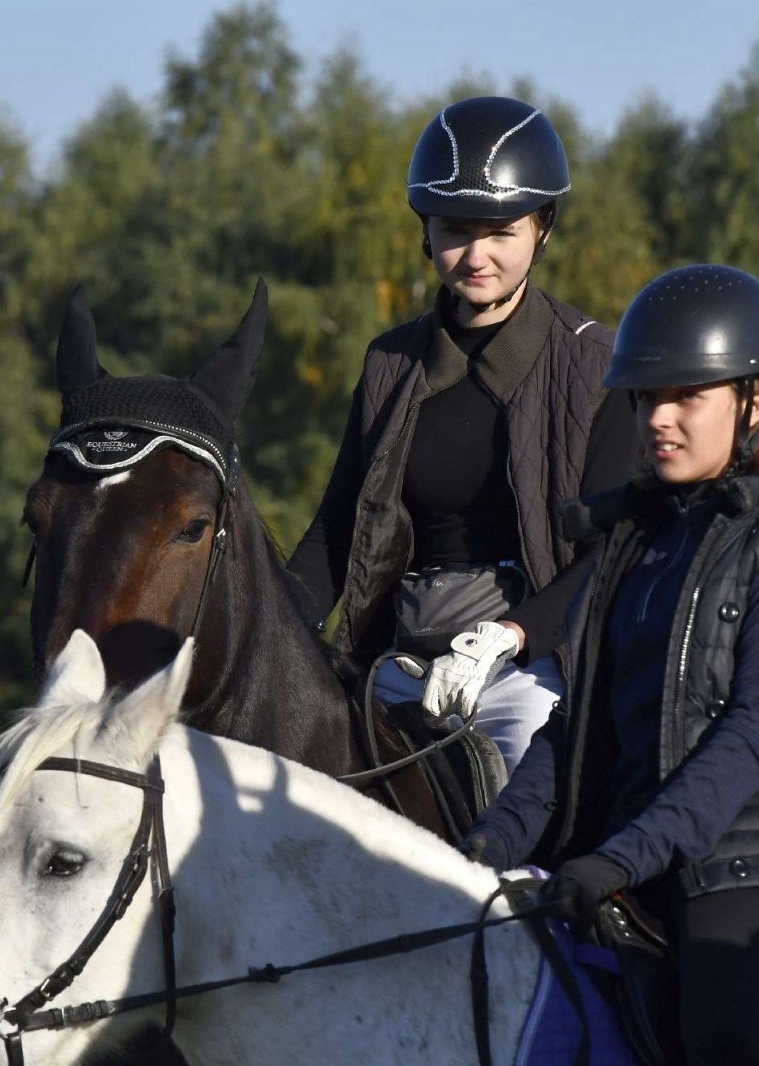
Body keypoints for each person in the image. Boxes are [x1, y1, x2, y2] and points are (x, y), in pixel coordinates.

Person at [462, 264, 759, 1064]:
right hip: (647, 847)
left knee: (719, 1032)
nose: (658, 419)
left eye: (687, 397)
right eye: (646, 398)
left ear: (754, 404)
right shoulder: (636, 546)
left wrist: (624, 857)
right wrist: (486, 847)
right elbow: (577, 729)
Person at [286, 96, 638, 778]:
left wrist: (513, 634)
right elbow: (335, 532)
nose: (477, 257)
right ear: (426, 231)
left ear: (542, 228)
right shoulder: (389, 363)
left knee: (533, 805)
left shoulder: (597, 367)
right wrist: (262, 623)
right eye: (455, 231)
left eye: (501, 233)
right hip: (397, 666)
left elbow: (613, 553)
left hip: (532, 672)